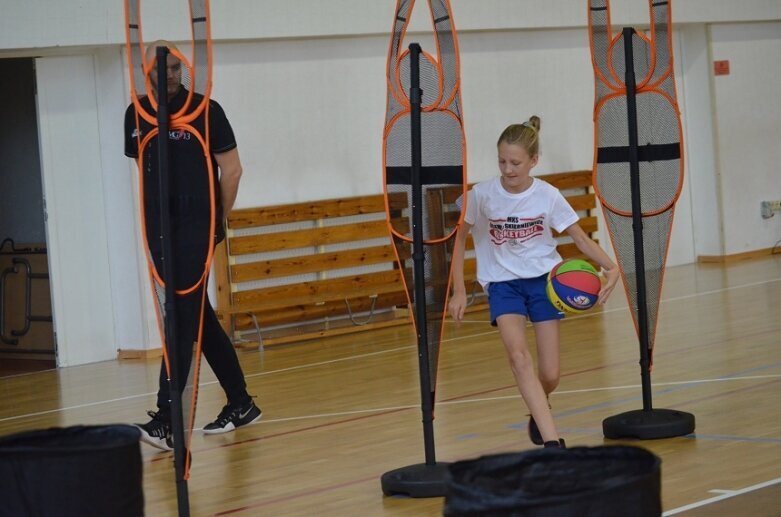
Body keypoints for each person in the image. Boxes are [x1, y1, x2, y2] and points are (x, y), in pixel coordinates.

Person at [448, 115, 619, 448]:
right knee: (519, 358)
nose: (508, 169)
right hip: (502, 284)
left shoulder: (548, 195)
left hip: (544, 281)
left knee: (550, 374)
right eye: (502, 161)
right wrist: (458, 290)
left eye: (516, 162)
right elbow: (458, 239)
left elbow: (581, 240)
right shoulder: (480, 195)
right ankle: (553, 442)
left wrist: (611, 268)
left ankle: (538, 405)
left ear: (534, 161)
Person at [124, 41, 261, 451]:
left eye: (174, 70)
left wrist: (215, 221)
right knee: (197, 315)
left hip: (196, 230)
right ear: (145, 73)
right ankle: (241, 404)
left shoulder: (206, 111)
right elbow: (144, 167)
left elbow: (232, 171)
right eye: (159, 71)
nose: (167, 77)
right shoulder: (136, 113)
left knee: (179, 320)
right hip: (159, 231)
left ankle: (168, 419)